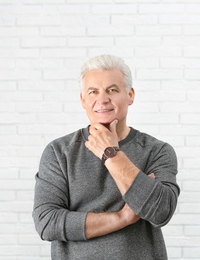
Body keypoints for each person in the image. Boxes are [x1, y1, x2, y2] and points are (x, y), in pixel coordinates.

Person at [32, 54, 180, 260]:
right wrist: (122, 218)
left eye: (112, 90)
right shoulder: (59, 152)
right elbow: (47, 223)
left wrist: (111, 153)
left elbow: (160, 211)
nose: (102, 100)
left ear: (130, 95)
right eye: (93, 92)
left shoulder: (156, 151)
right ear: (83, 100)